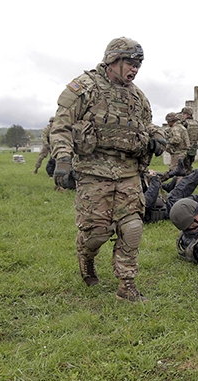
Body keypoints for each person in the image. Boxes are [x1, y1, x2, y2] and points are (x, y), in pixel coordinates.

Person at [50, 37, 167, 302]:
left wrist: (158, 135)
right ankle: (86, 256)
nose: (134, 69)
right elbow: (62, 126)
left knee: (133, 227)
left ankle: (126, 288)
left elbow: (147, 124)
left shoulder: (137, 96)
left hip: (128, 172)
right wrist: (63, 158)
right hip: (93, 172)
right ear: (112, 60)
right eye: (130, 63)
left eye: (138, 64)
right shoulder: (84, 88)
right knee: (97, 232)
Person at [143, 150, 198, 223]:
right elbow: (149, 199)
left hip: (166, 202)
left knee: (183, 186)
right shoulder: (133, 201)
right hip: (166, 209)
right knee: (193, 197)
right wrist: (154, 178)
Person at [180, 106, 198, 174]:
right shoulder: (196, 123)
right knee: (189, 165)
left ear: (188, 114)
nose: (182, 115)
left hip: (186, 147)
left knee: (185, 166)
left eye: (183, 114)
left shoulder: (185, 123)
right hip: (194, 147)